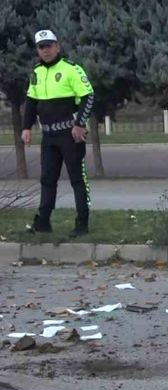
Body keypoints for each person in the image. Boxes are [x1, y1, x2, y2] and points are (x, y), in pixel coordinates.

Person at [22, 29, 95, 237]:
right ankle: (43, 222)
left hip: (70, 134)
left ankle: (82, 224)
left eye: (49, 46)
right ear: (37, 50)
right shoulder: (36, 72)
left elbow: (88, 96)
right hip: (49, 136)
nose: (45, 50)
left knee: (77, 179)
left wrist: (79, 124)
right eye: (41, 47)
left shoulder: (71, 69)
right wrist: (26, 127)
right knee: (47, 179)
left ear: (57, 46)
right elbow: (31, 101)